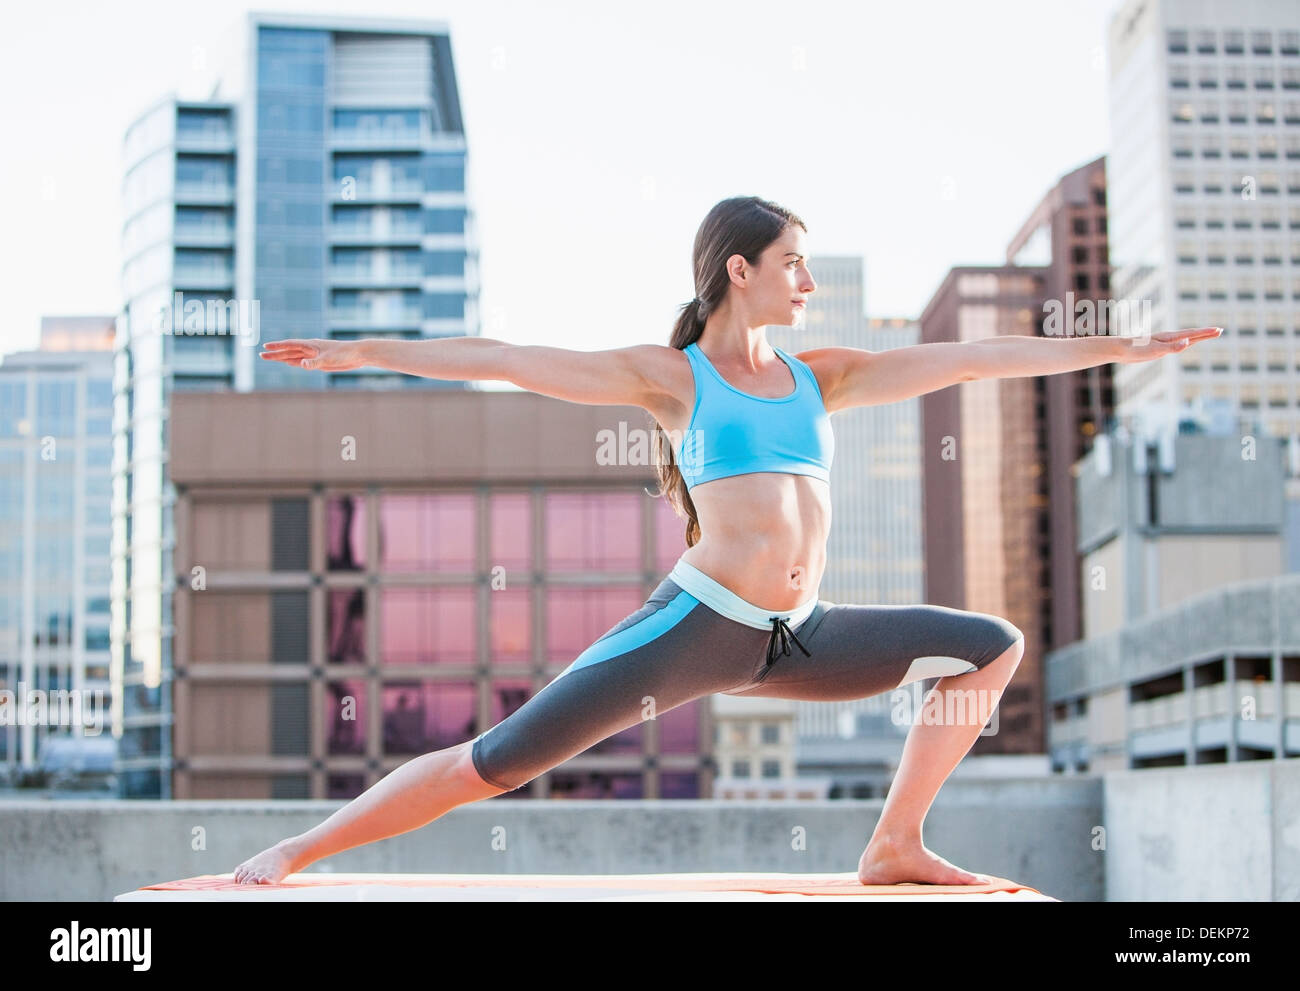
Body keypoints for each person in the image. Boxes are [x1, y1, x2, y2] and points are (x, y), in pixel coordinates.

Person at [235, 195, 1221, 886]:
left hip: (803, 635)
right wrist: (369, 352)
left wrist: (1112, 346)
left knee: (989, 646)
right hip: (696, 627)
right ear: (737, 269)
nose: (804, 279)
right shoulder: (671, 378)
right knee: (492, 761)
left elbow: (965, 357)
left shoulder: (819, 375)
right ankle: (295, 851)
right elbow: (508, 358)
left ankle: (893, 843)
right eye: (791, 260)